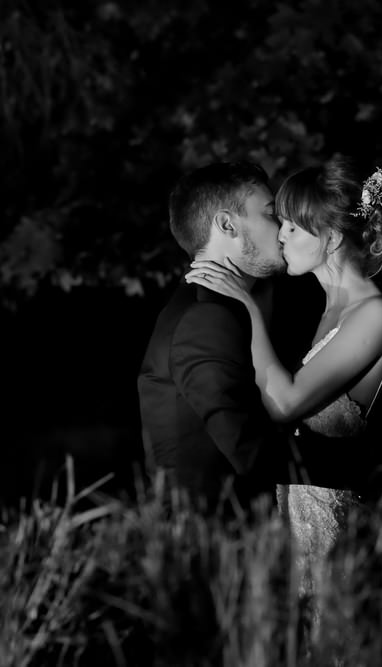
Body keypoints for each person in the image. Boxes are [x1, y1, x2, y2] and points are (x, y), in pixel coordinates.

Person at [184, 156, 382, 603]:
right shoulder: (326, 309)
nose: (279, 236)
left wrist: (243, 307)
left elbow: (284, 404)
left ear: (332, 238)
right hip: (288, 528)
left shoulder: (374, 313)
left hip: (329, 537)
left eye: (292, 228)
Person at [136, 161, 324, 513]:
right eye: (272, 215)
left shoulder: (221, 307)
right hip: (214, 541)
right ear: (227, 224)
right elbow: (247, 448)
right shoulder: (206, 317)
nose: (285, 229)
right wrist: (347, 464)